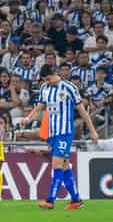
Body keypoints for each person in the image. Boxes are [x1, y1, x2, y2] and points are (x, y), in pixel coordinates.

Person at [21, 64, 98, 210]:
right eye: (45, 79)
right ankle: (76, 200)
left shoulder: (69, 87)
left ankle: (50, 201)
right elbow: (39, 108)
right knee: (64, 165)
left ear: (54, 73)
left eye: (48, 78)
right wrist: (28, 119)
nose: (47, 81)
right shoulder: (44, 88)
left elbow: (82, 111)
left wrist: (93, 131)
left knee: (56, 164)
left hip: (65, 132)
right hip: (52, 133)